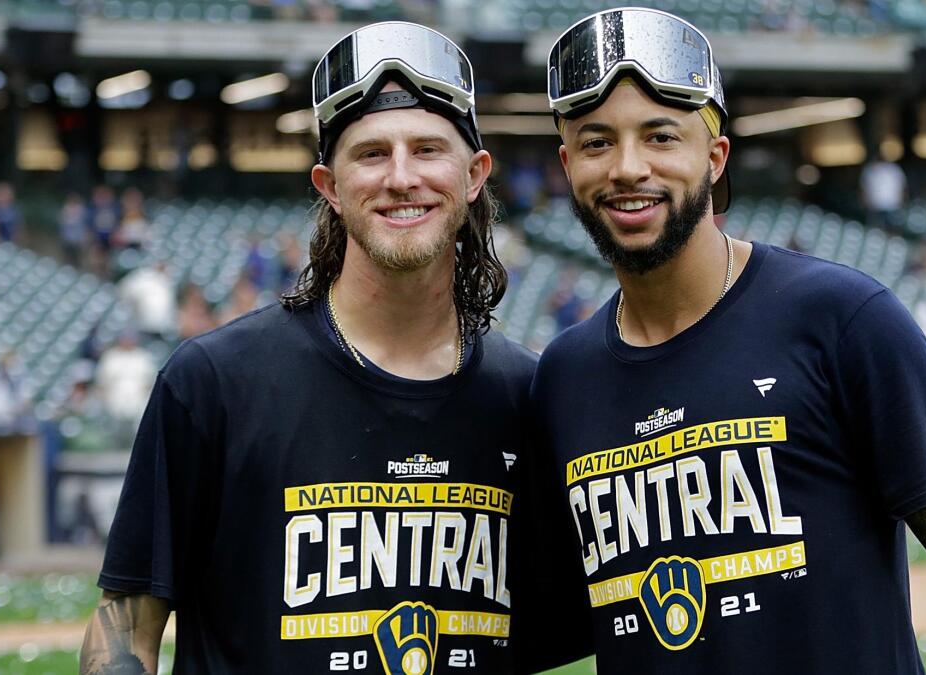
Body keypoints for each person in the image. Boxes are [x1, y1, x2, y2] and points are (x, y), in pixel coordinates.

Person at [530, 8, 926, 674]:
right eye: (596, 142)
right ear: (567, 166)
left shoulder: (841, 317)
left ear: (714, 157)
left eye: (660, 137)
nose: (627, 167)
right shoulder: (563, 376)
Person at [82, 22, 586, 674]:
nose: (402, 177)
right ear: (329, 185)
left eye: (428, 149)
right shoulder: (215, 381)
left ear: (473, 175)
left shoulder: (527, 394)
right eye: (371, 154)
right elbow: (125, 632)